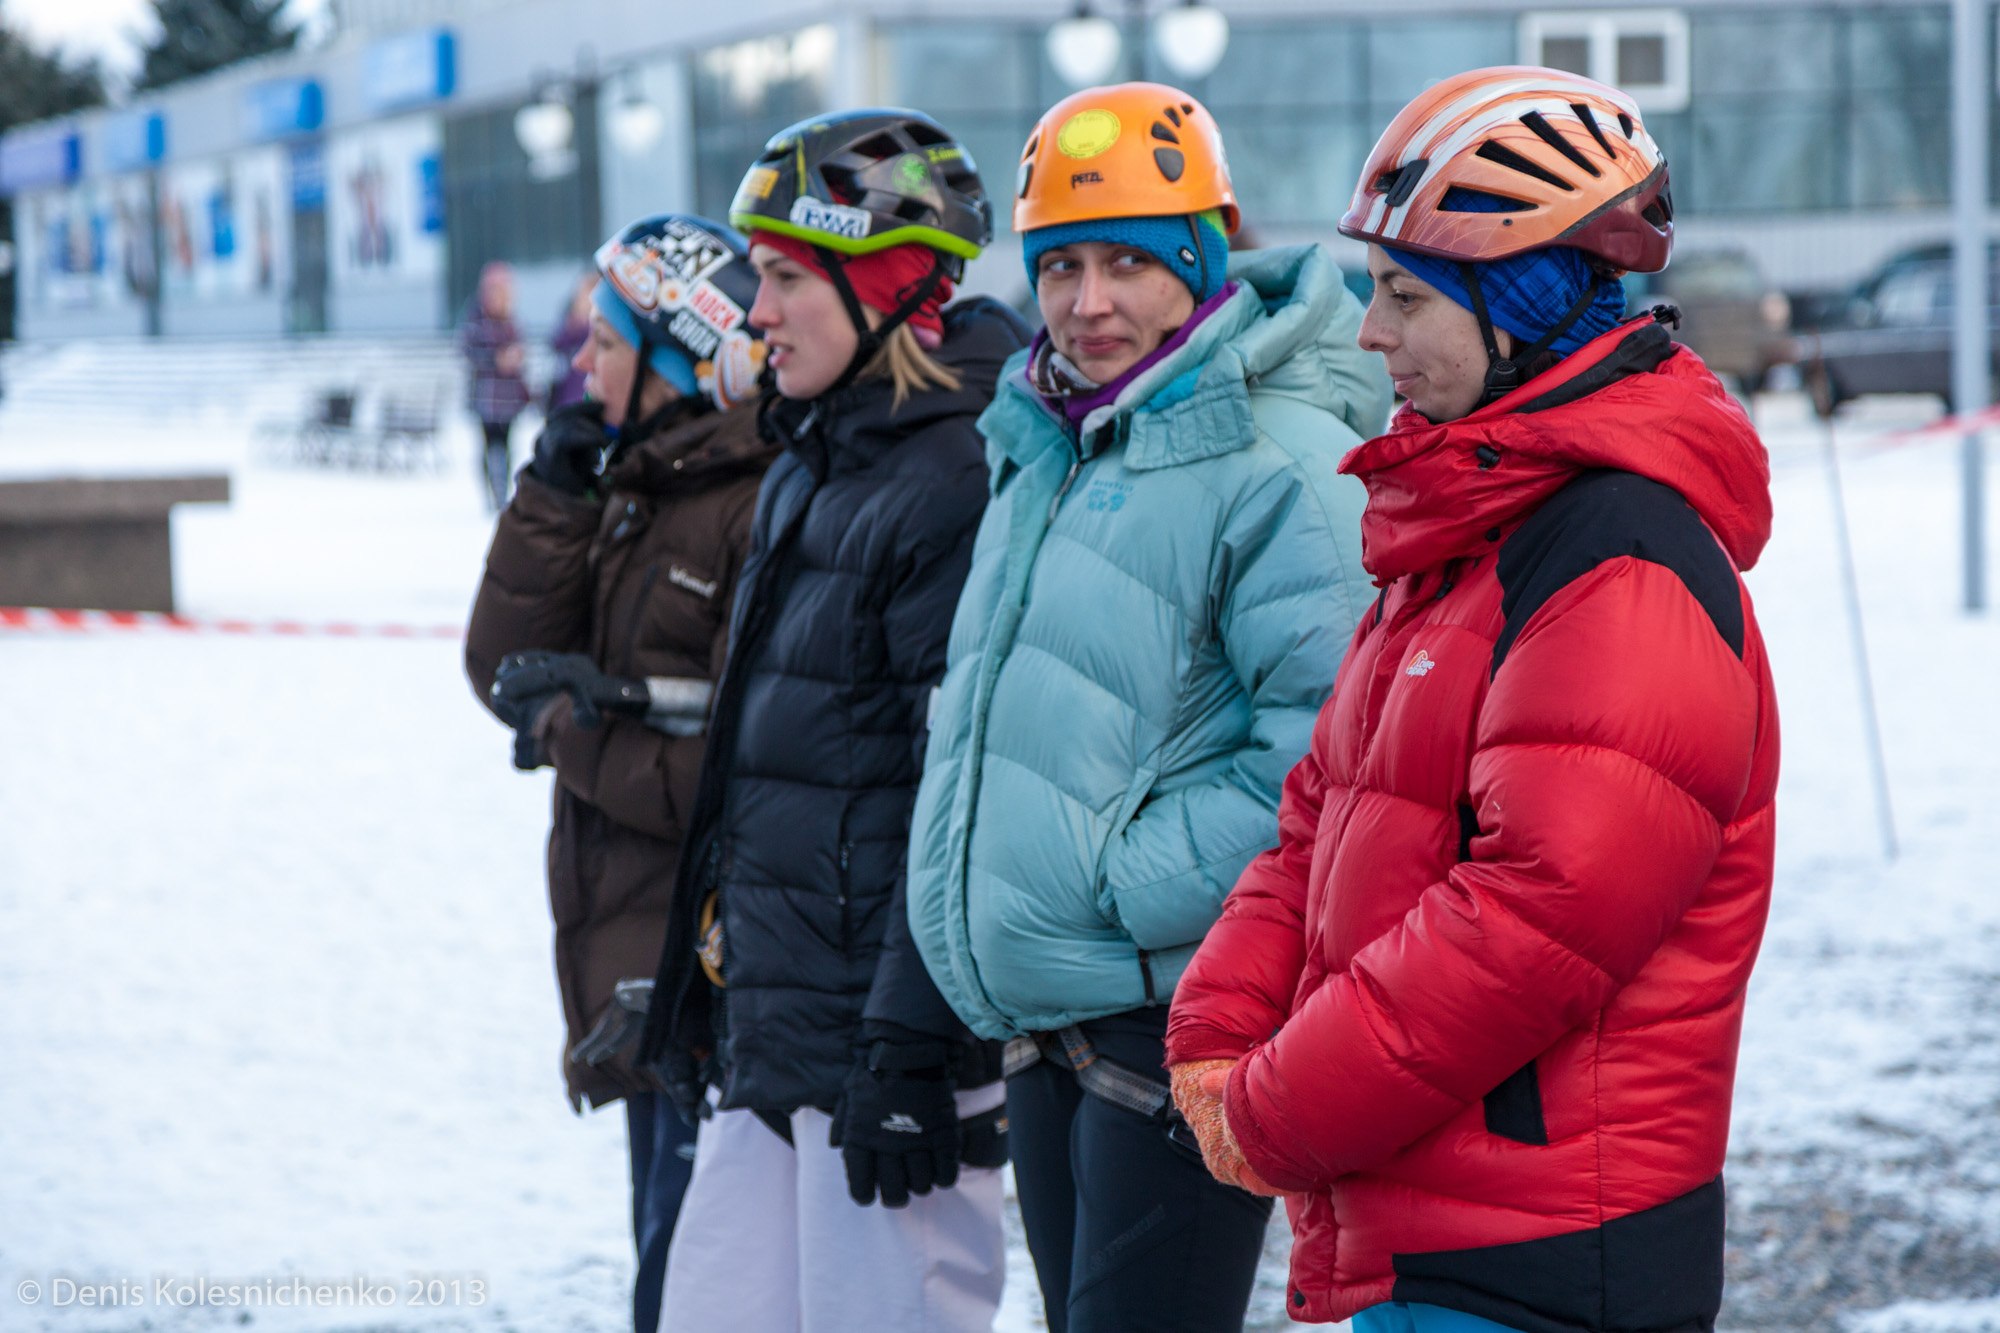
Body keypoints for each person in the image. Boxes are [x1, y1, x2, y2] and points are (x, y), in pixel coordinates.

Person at [1164, 66, 1781, 1333]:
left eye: (1401, 296)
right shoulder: (1464, 529)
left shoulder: (1619, 552)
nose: (1368, 334)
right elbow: (1320, 815)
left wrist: (1276, 1104)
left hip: (1547, 1263)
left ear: (1524, 306)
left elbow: (1531, 918)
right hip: (1427, 1232)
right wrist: (1217, 1024)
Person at [901, 82, 1389, 1332]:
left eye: (1129, 261)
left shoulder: (1275, 460)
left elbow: (1325, 755)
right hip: (1054, 1018)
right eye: (1060, 266)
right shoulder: (1049, 444)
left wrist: (1115, 885)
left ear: (1202, 258)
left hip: (1177, 1015)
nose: (1087, 301)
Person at [635, 110, 1029, 1332]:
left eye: (785, 277)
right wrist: (707, 994)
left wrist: (908, 1050)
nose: (753, 313)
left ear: (890, 292)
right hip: (778, 1033)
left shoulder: (955, 475)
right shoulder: (815, 455)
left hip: (881, 1060)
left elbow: (953, 793)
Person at [464, 214, 776, 1333]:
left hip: (708, 970)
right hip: (635, 968)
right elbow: (499, 666)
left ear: (683, 355)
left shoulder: (748, 501)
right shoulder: (634, 482)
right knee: (670, 1261)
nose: (579, 364)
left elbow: (727, 781)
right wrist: (552, 499)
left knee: (695, 1278)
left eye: (605, 342)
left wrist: (569, 733)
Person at [459, 261, 531, 512]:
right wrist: (495, 359)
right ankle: (493, 490)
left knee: (507, 445)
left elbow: (522, 352)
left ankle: (502, 488)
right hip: (486, 396)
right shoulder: (475, 321)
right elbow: (466, 352)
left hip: (508, 397)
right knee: (490, 446)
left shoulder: (511, 321)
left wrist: (516, 358)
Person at [548, 270, 595, 413]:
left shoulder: (598, 327)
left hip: (587, 393)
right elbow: (556, 343)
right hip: (567, 394)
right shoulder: (569, 322)